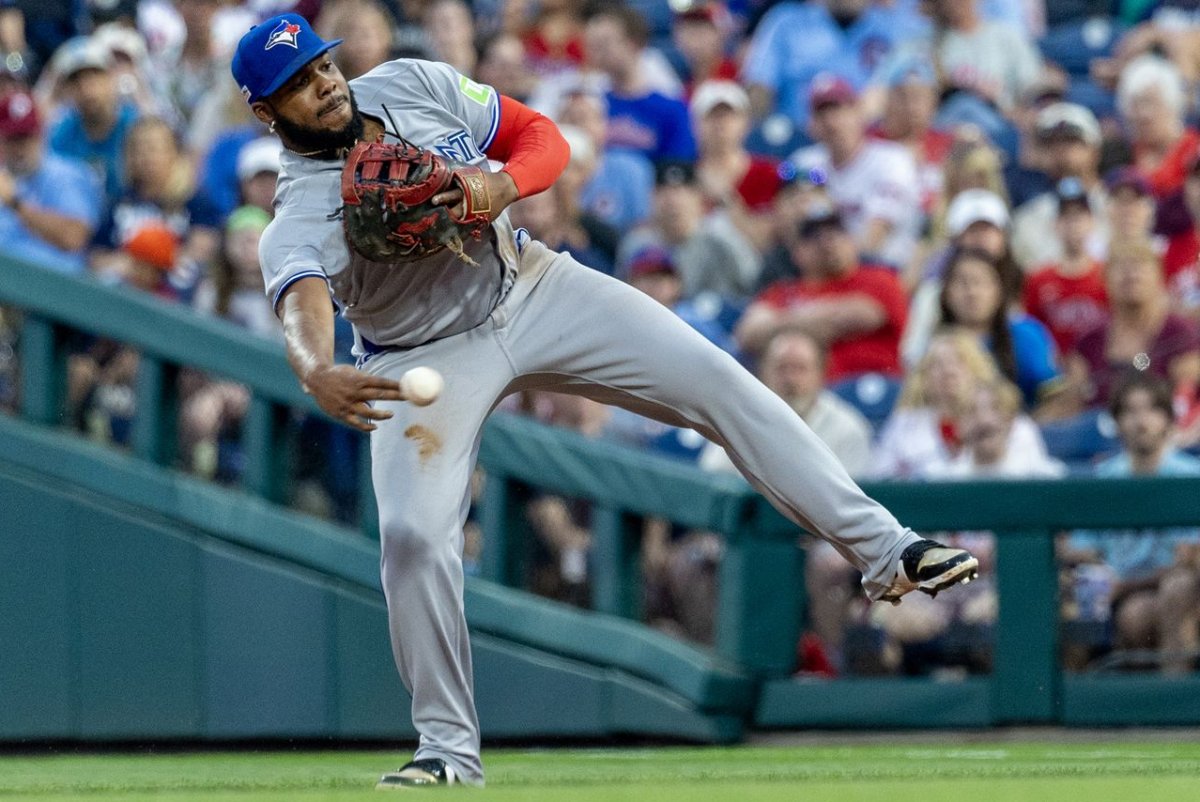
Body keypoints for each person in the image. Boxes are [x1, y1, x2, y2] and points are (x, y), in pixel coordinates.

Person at [231, 14, 978, 788]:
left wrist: (503, 182)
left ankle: (887, 551)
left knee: (716, 380)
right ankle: (446, 752)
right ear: (265, 112)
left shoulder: (409, 82)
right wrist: (315, 367)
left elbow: (540, 136)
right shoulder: (299, 211)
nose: (322, 87)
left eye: (320, 68)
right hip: (418, 356)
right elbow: (302, 299)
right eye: (295, 86)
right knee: (415, 540)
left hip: (533, 285)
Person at [1064, 373, 1200, 673]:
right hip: (1124, 592)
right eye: (1130, 411)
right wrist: (1095, 572)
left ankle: (1175, 696)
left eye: (1152, 409)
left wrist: (1122, 584)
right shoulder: (1106, 477)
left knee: (1174, 590)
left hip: (1180, 587)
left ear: (1167, 418)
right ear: (1117, 421)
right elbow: (1083, 547)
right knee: (1124, 613)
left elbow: (1186, 560)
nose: (1141, 421)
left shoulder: (1190, 475)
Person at [736, 204, 908, 380]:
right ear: (796, 252)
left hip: (867, 388)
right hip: (798, 392)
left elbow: (863, 315)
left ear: (850, 239)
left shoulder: (880, 278)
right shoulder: (782, 290)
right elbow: (749, 334)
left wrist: (784, 322)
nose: (827, 242)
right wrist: (824, 318)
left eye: (835, 231)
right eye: (814, 236)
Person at [791, 74, 922, 271]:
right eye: (822, 113)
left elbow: (874, 238)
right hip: (819, 272)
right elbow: (788, 225)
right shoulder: (804, 162)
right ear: (813, 124)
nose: (831, 121)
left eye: (839, 110)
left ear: (857, 113)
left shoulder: (892, 160)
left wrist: (827, 209)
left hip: (883, 269)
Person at [938, 246, 1063, 409]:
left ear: (999, 290)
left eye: (981, 282)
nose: (972, 292)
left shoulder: (1026, 336)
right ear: (946, 293)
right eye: (962, 283)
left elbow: (1057, 400)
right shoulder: (937, 345)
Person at [0, 89, 100, 275]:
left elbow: (74, 237)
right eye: (13, 139)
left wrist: (16, 204)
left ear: (41, 135)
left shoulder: (66, 174)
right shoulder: (3, 176)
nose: (20, 147)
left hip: (51, 291)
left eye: (26, 137)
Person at [1022, 179, 1109, 356]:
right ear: (1056, 224)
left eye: (1079, 216)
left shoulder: (1107, 274)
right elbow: (1032, 332)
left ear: (1091, 222)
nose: (1073, 225)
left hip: (1100, 366)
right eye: (1066, 217)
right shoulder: (1038, 279)